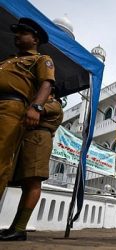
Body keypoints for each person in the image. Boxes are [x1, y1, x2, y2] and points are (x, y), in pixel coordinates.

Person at [0, 17, 54, 199]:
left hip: (11, 107)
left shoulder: (41, 60)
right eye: (17, 32)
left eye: (23, 33)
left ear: (35, 39)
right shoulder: (8, 60)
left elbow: (46, 84)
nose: (17, 36)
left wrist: (36, 107)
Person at [0, 93, 63, 241]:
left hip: (38, 140)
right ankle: (15, 227)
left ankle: (20, 229)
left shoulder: (54, 104)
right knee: (26, 185)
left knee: (33, 182)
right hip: (28, 140)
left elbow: (33, 111)